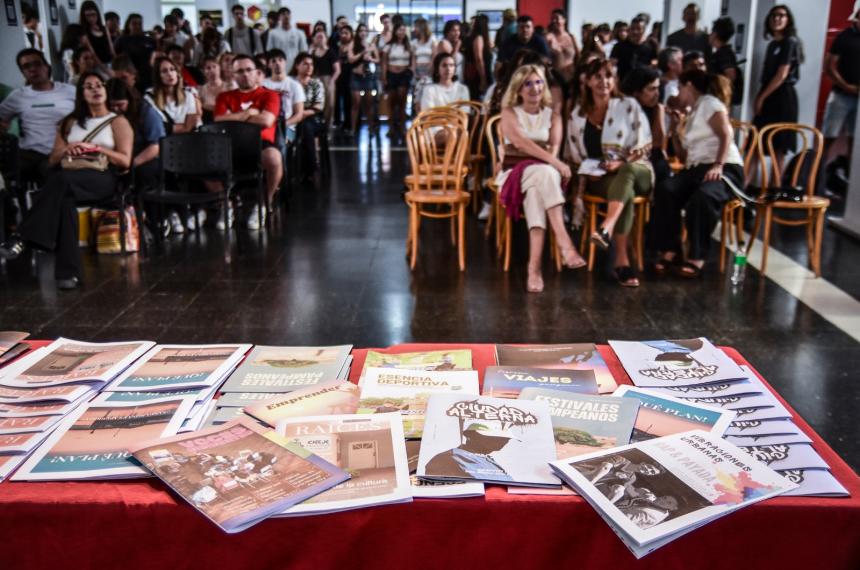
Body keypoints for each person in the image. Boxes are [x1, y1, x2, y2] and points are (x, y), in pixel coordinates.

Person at [0, 72, 133, 290]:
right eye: (89, 86)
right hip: (69, 175)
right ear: (81, 93)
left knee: (60, 182)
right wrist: (67, 149)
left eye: (99, 85)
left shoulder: (118, 121)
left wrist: (97, 148)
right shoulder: (69, 122)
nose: (95, 89)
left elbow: (125, 161)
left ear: (106, 90)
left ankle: (22, 237)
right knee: (64, 202)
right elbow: (52, 159)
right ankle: (67, 275)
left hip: (102, 177)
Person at [496, 64, 585, 293]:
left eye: (538, 82)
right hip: (513, 174)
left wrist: (551, 162)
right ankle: (565, 243)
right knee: (545, 172)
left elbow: (554, 149)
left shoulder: (552, 115)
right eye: (528, 83)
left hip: (542, 177)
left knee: (537, 190)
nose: (534, 88)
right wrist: (554, 162)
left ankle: (533, 269)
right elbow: (519, 143)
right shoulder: (509, 112)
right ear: (518, 89)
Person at [567, 59, 653, 288]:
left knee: (626, 172)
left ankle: (606, 226)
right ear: (587, 81)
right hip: (601, 178)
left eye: (608, 76)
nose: (603, 82)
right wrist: (587, 171)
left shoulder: (629, 105)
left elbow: (645, 143)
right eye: (597, 76)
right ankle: (622, 262)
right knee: (624, 193)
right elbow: (574, 154)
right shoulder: (578, 114)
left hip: (639, 169)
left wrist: (622, 161)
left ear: (614, 80)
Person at [653, 69, 743, 278]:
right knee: (667, 189)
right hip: (697, 168)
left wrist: (718, 165)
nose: (678, 94)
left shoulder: (709, 102)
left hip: (724, 166)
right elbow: (685, 157)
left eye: (680, 88)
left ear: (689, 85)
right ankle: (672, 248)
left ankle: (697, 255)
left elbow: (726, 134)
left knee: (703, 197)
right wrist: (676, 128)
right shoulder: (693, 112)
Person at [215, 54, 282, 230]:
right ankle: (226, 204)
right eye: (239, 71)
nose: (245, 74)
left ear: (257, 72)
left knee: (274, 158)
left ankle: (263, 204)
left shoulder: (270, 95)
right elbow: (218, 122)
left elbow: (266, 121)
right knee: (201, 159)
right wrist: (247, 114)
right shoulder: (224, 97)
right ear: (233, 75)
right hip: (230, 145)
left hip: (260, 144)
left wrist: (232, 119)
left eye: (248, 70)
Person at [0, 49, 76, 186]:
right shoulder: (18, 96)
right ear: (23, 72)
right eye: (27, 66)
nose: (33, 69)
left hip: (65, 149)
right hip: (31, 152)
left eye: (37, 64)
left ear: (47, 67)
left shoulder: (70, 91)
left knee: (58, 174)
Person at [146, 56, 203, 233]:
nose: (169, 74)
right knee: (162, 165)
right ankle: (173, 212)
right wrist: (177, 127)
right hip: (162, 146)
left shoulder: (188, 95)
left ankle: (192, 210)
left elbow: (191, 125)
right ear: (157, 75)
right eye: (164, 71)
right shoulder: (149, 97)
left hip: (187, 144)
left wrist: (174, 128)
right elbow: (157, 128)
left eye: (172, 69)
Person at [753, 5, 802, 172]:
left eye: (781, 15)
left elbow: (781, 75)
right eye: (774, 15)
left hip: (782, 96)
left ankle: (776, 188)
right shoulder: (773, 44)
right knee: (757, 141)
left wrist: (761, 97)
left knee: (778, 145)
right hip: (768, 93)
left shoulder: (791, 42)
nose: (777, 19)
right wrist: (761, 96)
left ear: (788, 20)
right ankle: (744, 187)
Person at [820, 3, 860, 196]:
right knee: (828, 138)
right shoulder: (845, 37)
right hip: (841, 96)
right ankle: (816, 180)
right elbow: (829, 65)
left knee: (855, 142)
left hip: (858, 99)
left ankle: (849, 186)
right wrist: (845, 85)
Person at [106, 78, 164, 192]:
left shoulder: (146, 112)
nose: (116, 109)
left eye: (120, 105)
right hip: (116, 158)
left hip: (143, 157)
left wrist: (132, 164)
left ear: (129, 100)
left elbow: (155, 146)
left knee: (143, 174)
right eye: (112, 105)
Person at [623, 66, 671, 187]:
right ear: (636, 92)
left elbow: (658, 144)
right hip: (628, 158)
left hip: (649, 157)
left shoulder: (655, 109)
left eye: (658, 88)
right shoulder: (623, 109)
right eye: (652, 89)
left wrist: (659, 112)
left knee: (661, 166)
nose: (657, 94)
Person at [424, 423, 517, 481]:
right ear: (471, 436)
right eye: (495, 438)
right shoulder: (447, 458)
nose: (502, 442)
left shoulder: (488, 461)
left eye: (506, 439)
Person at [291, 53, 325, 178]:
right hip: (292, 117)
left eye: (311, 64)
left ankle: (310, 168)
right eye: (305, 64)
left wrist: (299, 115)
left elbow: (318, 107)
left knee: (306, 127)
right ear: (297, 66)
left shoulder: (316, 84)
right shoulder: (290, 82)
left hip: (311, 117)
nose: (309, 67)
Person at [263, 48, 306, 145]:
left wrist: (283, 124)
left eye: (280, 60)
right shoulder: (263, 84)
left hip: (288, 126)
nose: (277, 63)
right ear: (268, 65)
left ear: (285, 62)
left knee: (280, 140)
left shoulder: (294, 85)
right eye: (273, 61)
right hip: (267, 124)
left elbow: (299, 114)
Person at [382, 23, 414, 141]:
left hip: (403, 75)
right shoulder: (389, 46)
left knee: (402, 103)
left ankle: (402, 128)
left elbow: (412, 59)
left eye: (403, 30)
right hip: (391, 75)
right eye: (399, 29)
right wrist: (384, 77)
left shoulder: (408, 45)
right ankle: (391, 128)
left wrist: (411, 70)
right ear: (395, 31)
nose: (401, 32)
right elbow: (384, 62)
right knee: (391, 103)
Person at [348, 24, 379, 135]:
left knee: (369, 103)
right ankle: (353, 128)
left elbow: (377, 59)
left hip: (368, 76)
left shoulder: (371, 45)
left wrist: (370, 58)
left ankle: (371, 127)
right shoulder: (353, 44)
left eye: (365, 30)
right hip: (356, 76)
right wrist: (362, 53)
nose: (363, 33)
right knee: (356, 103)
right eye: (361, 30)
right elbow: (350, 59)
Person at [115, 13, 157, 91]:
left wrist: (156, 39)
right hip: (131, 77)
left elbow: (156, 56)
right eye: (134, 24)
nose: (137, 26)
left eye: (140, 24)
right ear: (128, 25)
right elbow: (117, 59)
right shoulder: (122, 40)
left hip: (149, 76)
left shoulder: (149, 40)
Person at [610, 16, 657, 82]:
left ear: (644, 30)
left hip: (644, 84)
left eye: (638, 29)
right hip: (624, 83)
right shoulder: (619, 46)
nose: (635, 32)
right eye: (632, 28)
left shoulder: (651, 45)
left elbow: (655, 61)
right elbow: (612, 65)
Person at [708, 17, 742, 107]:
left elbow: (731, 76)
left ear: (715, 34)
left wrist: (720, 95)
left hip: (720, 100)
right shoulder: (721, 52)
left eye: (711, 32)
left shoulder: (725, 53)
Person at [546, 9, 579, 97]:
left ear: (564, 20)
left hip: (570, 78)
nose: (554, 21)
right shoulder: (549, 37)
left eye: (557, 18)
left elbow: (579, 56)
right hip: (555, 79)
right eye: (552, 18)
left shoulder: (571, 37)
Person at [266, 7, 308, 72]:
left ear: (291, 16)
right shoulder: (273, 33)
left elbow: (304, 52)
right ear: (279, 17)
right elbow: (270, 52)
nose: (286, 16)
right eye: (283, 14)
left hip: (296, 66)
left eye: (288, 14)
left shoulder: (300, 33)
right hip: (279, 66)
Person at [462, 14, 492, 101]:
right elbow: (478, 58)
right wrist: (483, 79)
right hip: (478, 75)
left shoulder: (470, 37)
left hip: (472, 74)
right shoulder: (478, 38)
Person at [411, 18, 436, 114]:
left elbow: (434, 57)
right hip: (418, 72)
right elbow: (413, 58)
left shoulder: (432, 40)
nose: (414, 29)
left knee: (427, 97)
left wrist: (430, 71)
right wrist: (414, 71)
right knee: (417, 97)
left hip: (429, 72)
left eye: (416, 27)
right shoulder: (414, 42)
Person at [80, 1, 114, 66]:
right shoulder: (84, 32)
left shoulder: (104, 28)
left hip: (109, 62)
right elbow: (93, 54)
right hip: (96, 65)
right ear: (84, 16)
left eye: (93, 14)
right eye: (88, 15)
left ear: (97, 14)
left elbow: (111, 48)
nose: (91, 18)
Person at [199, 56, 232, 123]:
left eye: (214, 66)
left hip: (228, 122)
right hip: (208, 123)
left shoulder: (230, 87)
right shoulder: (200, 90)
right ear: (203, 71)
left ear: (219, 68)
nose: (212, 70)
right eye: (208, 68)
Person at [334, 25, 355, 132]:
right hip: (340, 75)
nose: (344, 35)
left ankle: (350, 123)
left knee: (350, 101)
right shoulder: (338, 45)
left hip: (351, 75)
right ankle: (341, 122)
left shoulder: (354, 45)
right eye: (342, 33)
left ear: (351, 34)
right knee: (340, 99)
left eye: (346, 33)